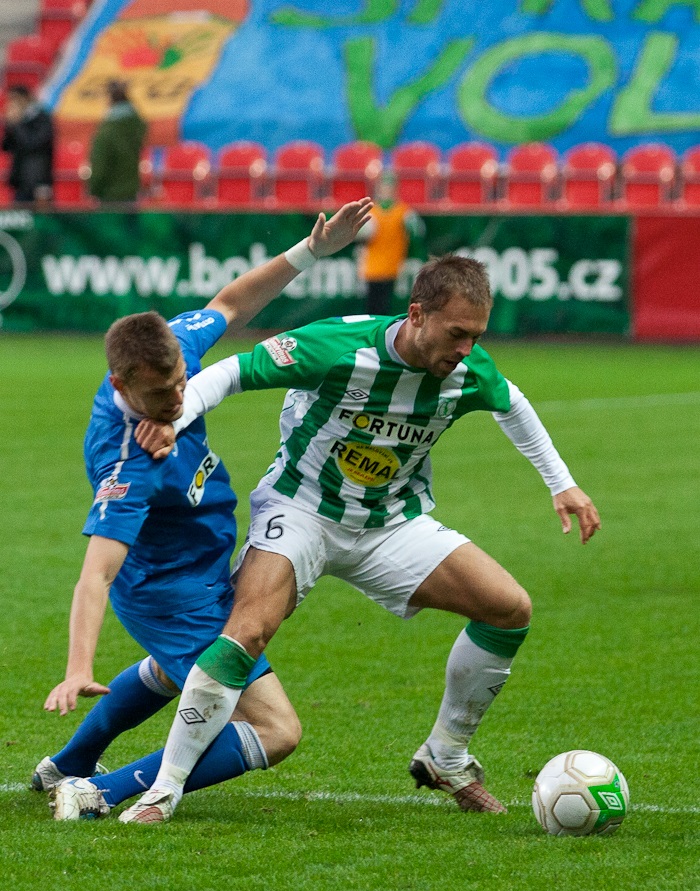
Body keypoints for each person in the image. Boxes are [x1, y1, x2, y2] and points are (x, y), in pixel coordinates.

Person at [115, 253, 601, 825]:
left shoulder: (467, 370)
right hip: (301, 513)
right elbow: (233, 371)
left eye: (477, 336)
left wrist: (562, 484)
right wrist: (177, 417)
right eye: (457, 334)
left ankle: (445, 754)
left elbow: (513, 404)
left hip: (389, 524)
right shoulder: (339, 346)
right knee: (244, 631)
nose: (467, 349)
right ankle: (163, 791)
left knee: (509, 609)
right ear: (417, 314)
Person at [35, 198, 373, 821]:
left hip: (203, 565)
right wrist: (78, 667)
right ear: (120, 388)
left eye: (181, 385)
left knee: (172, 674)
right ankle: (97, 792)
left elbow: (230, 305)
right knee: (277, 731)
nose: (177, 399)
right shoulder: (125, 461)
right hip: (169, 591)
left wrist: (309, 253)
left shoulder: (175, 354)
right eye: (159, 396)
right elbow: (95, 575)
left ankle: (68, 763)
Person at [355, 172, 425, 315]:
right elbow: (360, 237)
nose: (386, 190)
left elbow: (418, 231)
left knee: (386, 307)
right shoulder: (371, 211)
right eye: (383, 187)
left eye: (389, 187)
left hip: (392, 267)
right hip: (372, 267)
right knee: (371, 307)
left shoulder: (403, 211)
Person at [89, 80, 146, 205]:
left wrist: (93, 190)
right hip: (131, 192)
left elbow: (99, 167)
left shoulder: (107, 132)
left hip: (109, 196)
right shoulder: (136, 125)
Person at [1, 85, 54, 204]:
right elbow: (6, 147)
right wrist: (9, 126)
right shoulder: (17, 121)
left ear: (26, 98)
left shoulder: (42, 118)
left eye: (15, 98)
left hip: (38, 182)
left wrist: (17, 124)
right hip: (20, 182)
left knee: (41, 221)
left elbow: (33, 144)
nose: (13, 102)